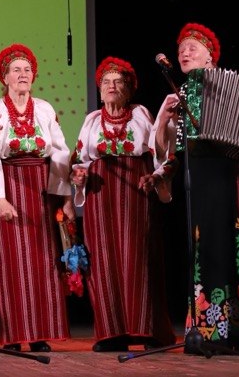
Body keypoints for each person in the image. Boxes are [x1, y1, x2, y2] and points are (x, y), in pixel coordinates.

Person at [153, 22, 239, 353]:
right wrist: (164, 122)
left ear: (210, 58)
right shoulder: (179, 96)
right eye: (181, 49)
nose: (184, 53)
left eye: (192, 48)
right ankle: (212, 333)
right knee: (212, 250)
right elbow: (164, 149)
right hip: (205, 181)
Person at [70, 56, 175, 352]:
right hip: (100, 194)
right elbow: (79, 159)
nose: (112, 86)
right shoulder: (92, 120)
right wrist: (78, 175)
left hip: (136, 191)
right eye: (106, 82)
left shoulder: (140, 113)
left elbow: (160, 151)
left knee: (139, 258)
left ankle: (147, 330)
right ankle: (111, 333)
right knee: (103, 260)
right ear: (99, 89)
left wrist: (156, 176)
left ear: (129, 89)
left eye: (119, 82)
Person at [0, 43, 73, 353]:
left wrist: (65, 196)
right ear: (4, 77)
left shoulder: (44, 108)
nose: (22, 74)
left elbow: (60, 152)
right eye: (15, 70)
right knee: (13, 263)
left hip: (41, 189)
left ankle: (42, 333)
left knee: (45, 261)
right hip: (10, 186)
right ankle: (16, 335)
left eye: (27, 69)